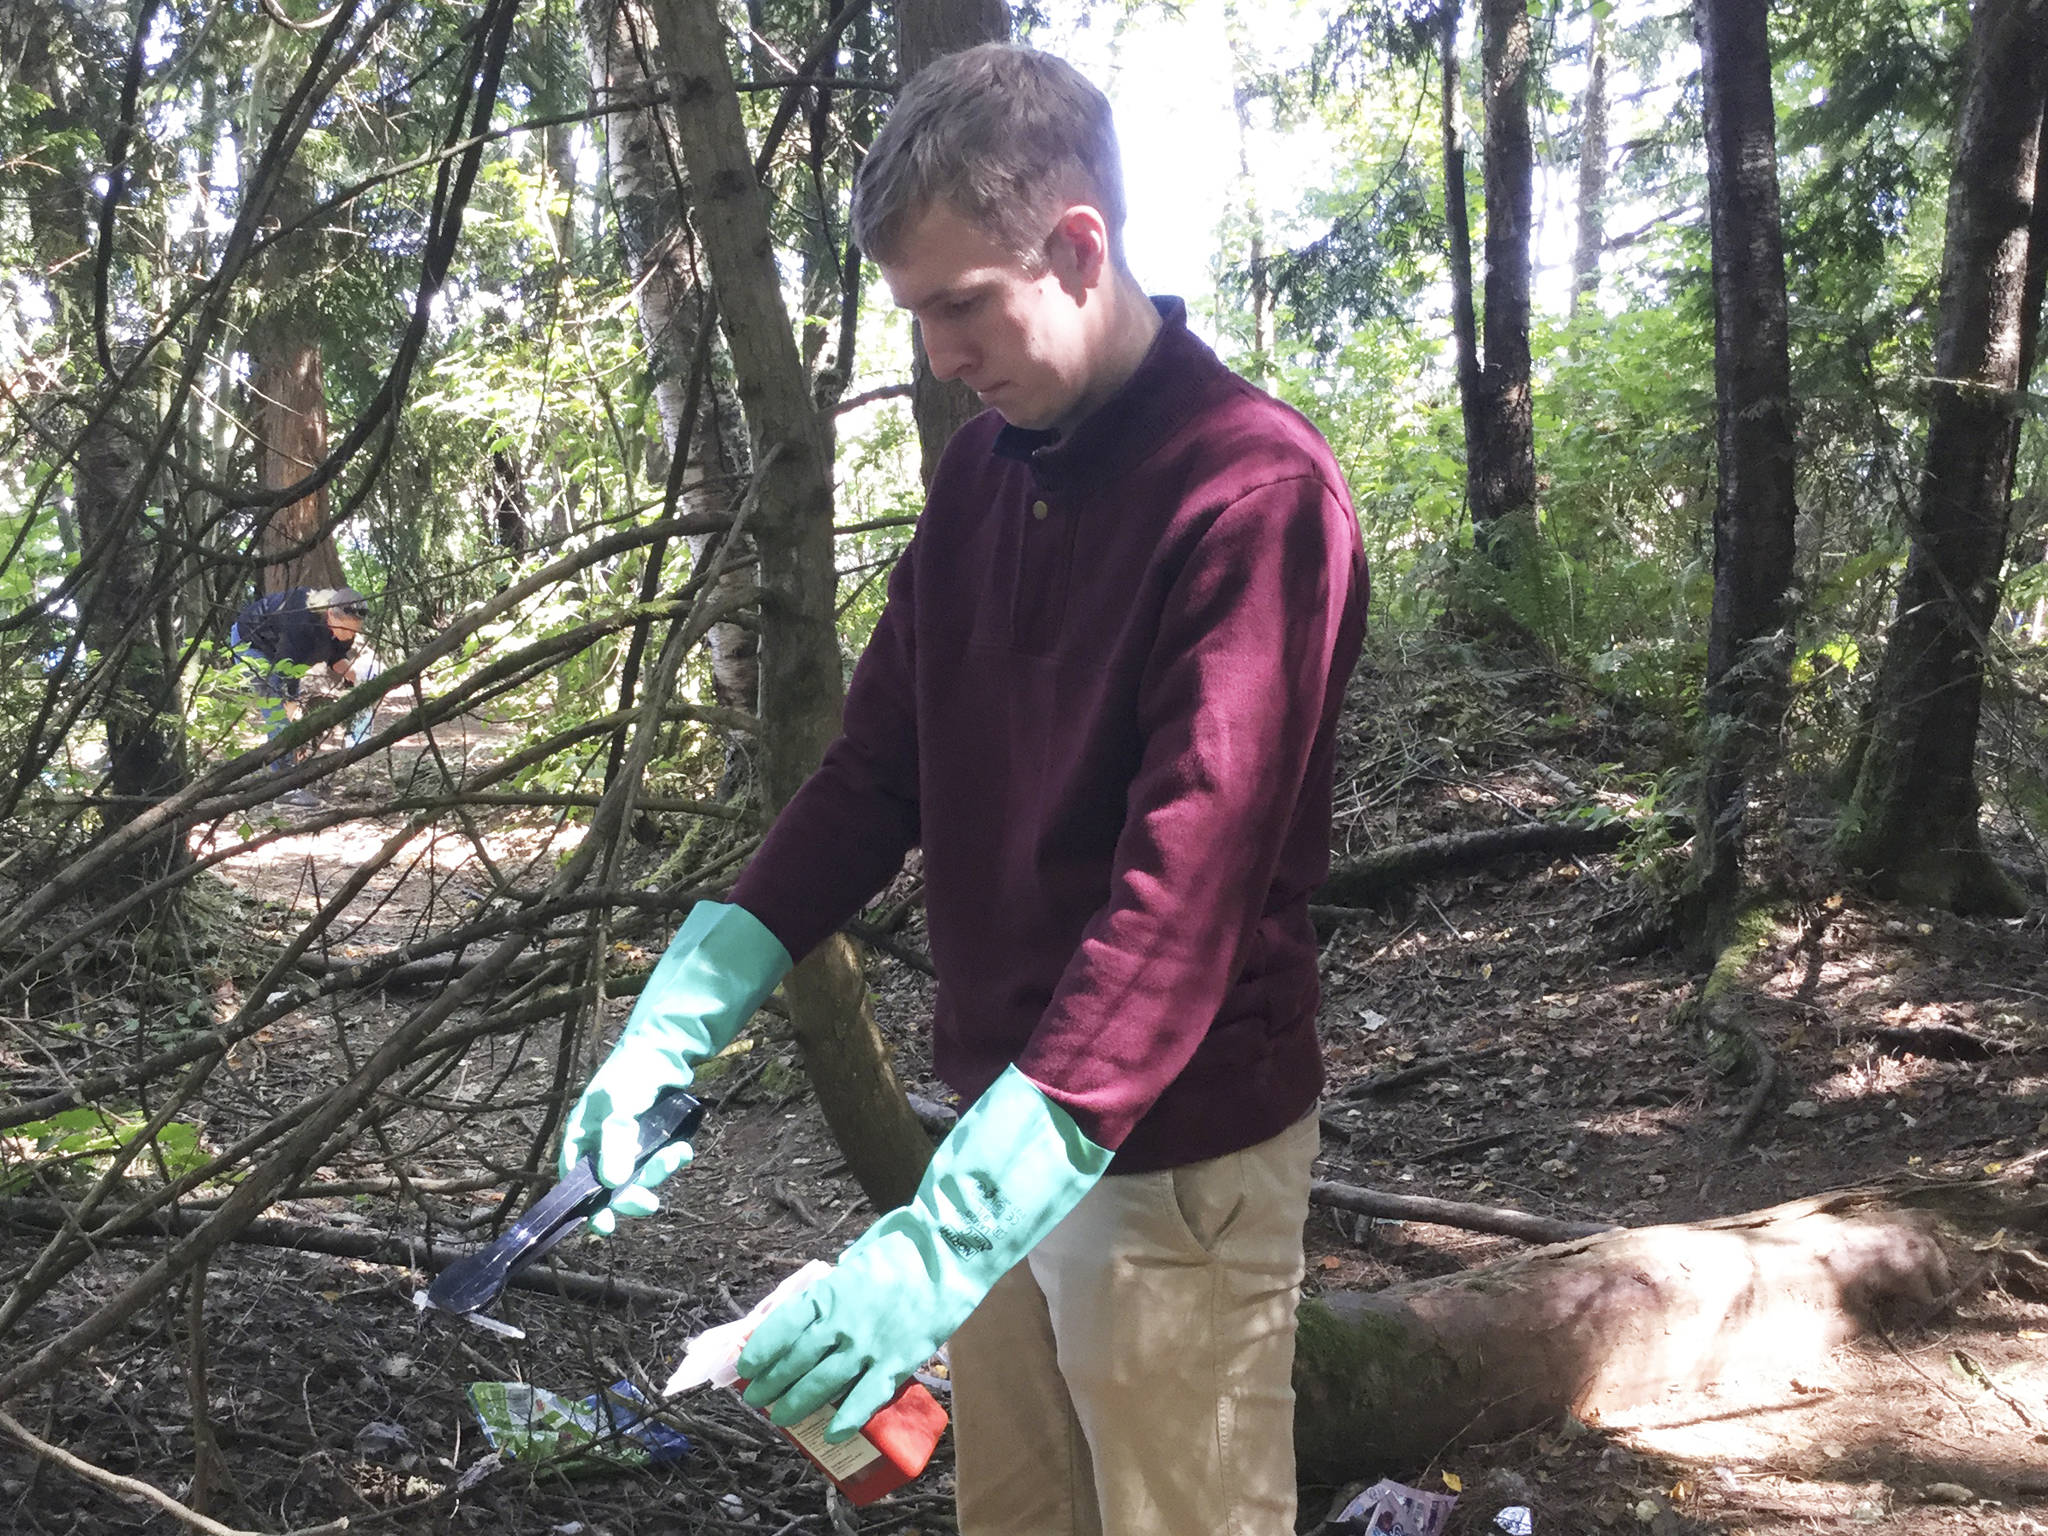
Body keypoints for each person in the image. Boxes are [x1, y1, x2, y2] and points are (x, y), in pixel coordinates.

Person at [560, 43, 1368, 1536]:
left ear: (1076, 247)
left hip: (1176, 1161)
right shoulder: (988, 473)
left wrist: (934, 1245)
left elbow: (1173, 919)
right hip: (998, 1132)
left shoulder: (1254, 500)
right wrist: (689, 1000)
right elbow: (878, 772)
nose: (938, 355)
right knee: (1020, 1515)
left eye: (959, 307)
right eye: (916, 314)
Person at [229, 585, 382, 788]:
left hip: (284, 657)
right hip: (251, 644)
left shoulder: (343, 631)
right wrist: (290, 704)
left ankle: (290, 767)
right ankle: (283, 788)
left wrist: (360, 680)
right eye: (345, 630)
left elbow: (336, 657)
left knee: (290, 717)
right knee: (277, 714)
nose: (348, 636)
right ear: (330, 615)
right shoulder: (301, 622)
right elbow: (287, 671)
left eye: (354, 631)